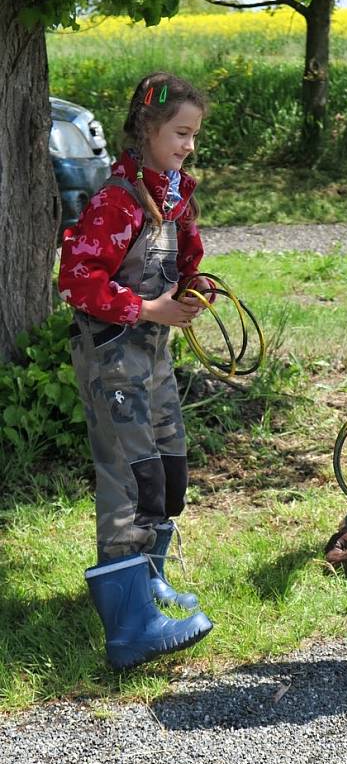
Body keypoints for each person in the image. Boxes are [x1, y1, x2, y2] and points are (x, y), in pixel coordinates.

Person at [59, 71, 216, 670]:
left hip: (152, 357)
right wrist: (148, 307)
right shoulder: (117, 201)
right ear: (148, 128)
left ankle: (148, 581)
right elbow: (76, 280)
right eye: (180, 132)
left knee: (163, 468)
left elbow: (188, 259)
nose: (189, 144)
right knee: (127, 477)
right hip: (112, 360)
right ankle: (129, 630)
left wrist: (194, 288)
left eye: (194, 134)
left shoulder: (175, 194)